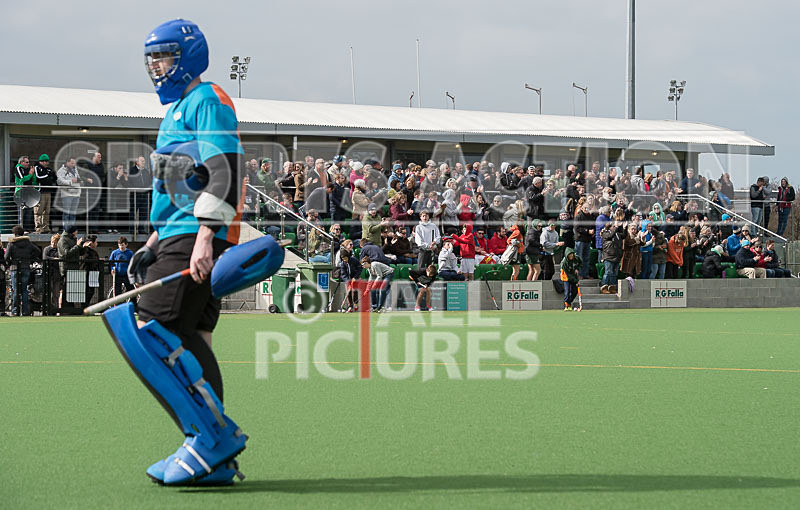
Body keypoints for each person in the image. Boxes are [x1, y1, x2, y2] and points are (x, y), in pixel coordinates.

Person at [106, 19, 282, 486]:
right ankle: (216, 457)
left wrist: (205, 235)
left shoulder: (208, 100)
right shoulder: (176, 110)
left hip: (195, 234)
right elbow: (175, 187)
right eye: (151, 60)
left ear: (188, 57)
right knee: (194, 338)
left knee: (148, 328)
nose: (155, 68)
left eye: (163, 57)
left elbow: (223, 167)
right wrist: (152, 240)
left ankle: (209, 440)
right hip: (177, 234)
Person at [4, 225, 41, 316]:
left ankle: (15, 311)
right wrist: (30, 259)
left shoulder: (12, 244)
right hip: (26, 267)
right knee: (24, 290)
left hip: (15, 267)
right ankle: (25, 311)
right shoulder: (28, 243)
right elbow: (38, 251)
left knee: (15, 290)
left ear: (15, 233)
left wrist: (10, 263)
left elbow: (6, 257)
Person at [57, 157, 82, 232]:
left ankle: (72, 229)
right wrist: (71, 181)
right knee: (66, 213)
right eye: (72, 163)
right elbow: (59, 181)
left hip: (76, 194)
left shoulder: (75, 169)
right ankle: (66, 229)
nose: (73, 164)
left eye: (74, 163)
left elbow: (78, 179)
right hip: (67, 194)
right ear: (67, 162)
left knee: (73, 213)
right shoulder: (61, 171)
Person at [34, 154, 57, 233]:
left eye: (47, 161)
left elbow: (53, 178)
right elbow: (38, 177)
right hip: (40, 192)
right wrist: (47, 176)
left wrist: (50, 176)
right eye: (46, 161)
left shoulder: (48, 169)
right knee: (39, 210)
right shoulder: (37, 168)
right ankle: (38, 228)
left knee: (47, 211)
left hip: (48, 191)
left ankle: (46, 227)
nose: (47, 163)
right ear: (41, 162)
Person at [13, 155, 36, 232]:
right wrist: (30, 174)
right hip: (20, 193)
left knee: (29, 212)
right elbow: (22, 178)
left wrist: (32, 174)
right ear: (21, 162)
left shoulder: (28, 169)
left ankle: (27, 228)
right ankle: (20, 230)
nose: (28, 164)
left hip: (28, 193)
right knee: (21, 212)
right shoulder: (18, 168)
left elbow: (33, 180)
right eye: (26, 162)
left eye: (28, 162)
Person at [600, 220, 624, 293]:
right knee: (608, 272)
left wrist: (625, 228)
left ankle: (612, 287)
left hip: (616, 256)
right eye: (613, 226)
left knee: (614, 273)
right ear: (609, 227)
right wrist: (616, 227)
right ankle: (604, 286)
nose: (615, 228)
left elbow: (624, 235)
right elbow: (610, 236)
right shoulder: (605, 233)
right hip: (608, 256)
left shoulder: (617, 234)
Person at [42, 234, 61, 313]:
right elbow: (45, 257)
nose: (53, 244)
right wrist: (54, 259)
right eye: (52, 242)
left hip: (57, 274)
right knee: (48, 292)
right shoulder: (47, 249)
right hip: (48, 273)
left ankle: (55, 308)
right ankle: (48, 309)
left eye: (55, 243)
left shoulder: (59, 250)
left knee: (56, 293)